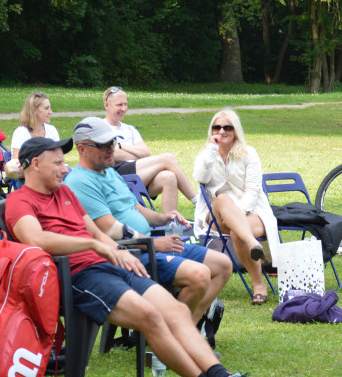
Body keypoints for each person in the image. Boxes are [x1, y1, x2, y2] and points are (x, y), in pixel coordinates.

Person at [4, 136, 277, 377]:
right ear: (35, 164)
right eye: (58, 163)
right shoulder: (19, 201)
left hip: (109, 266)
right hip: (78, 277)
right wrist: (95, 246)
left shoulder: (65, 194)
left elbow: (97, 233)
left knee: (175, 311)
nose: (65, 169)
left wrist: (116, 250)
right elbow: (36, 238)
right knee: (151, 317)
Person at [64, 117, 232, 324]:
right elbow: (110, 230)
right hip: (128, 253)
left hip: (148, 244)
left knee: (223, 264)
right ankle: (174, 332)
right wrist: (153, 243)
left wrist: (164, 217)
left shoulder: (108, 171)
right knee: (199, 275)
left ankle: (190, 326)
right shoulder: (80, 182)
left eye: (112, 143)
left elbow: (136, 208)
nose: (110, 149)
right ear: (82, 149)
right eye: (102, 145)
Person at [192, 108, 279, 306]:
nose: (221, 131)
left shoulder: (249, 154)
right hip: (216, 216)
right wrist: (212, 151)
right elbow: (200, 178)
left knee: (237, 232)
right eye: (217, 127)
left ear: (235, 130)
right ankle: (253, 244)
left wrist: (238, 214)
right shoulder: (206, 153)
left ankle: (259, 286)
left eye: (227, 127)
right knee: (221, 198)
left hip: (253, 211)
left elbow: (253, 191)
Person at [102, 86, 199, 215]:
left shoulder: (130, 129)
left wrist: (121, 146)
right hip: (117, 174)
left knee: (169, 177)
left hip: (138, 173)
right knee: (168, 158)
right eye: (119, 105)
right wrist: (134, 153)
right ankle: (198, 202)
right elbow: (111, 155)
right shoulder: (100, 127)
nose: (124, 109)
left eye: (125, 104)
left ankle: (169, 226)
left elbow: (146, 153)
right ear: (107, 105)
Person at [7, 92, 60, 179]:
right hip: (27, 176)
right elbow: (17, 163)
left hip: (51, 173)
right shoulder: (21, 132)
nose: (51, 112)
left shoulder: (52, 130)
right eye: (46, 108)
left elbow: (58, 157)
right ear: (34, 110)